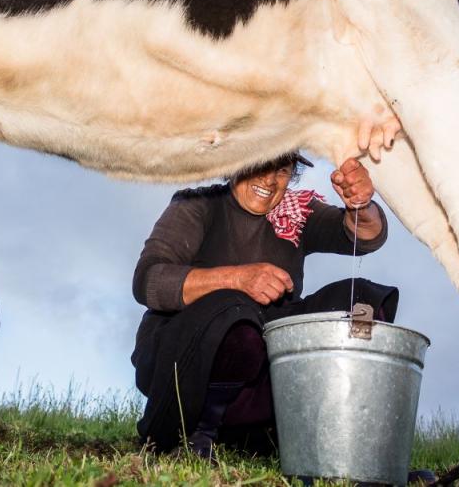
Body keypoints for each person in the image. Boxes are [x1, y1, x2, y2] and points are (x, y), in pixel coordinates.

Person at [131, 153, 399, 457]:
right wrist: (236, 279)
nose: (270, 181)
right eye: (258, 164)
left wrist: (361, 204)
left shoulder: (295, 212)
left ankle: (346, 445)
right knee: (234, 312)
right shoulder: (196, 204)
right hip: (181, 366)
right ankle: (196, 436)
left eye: (282, 171)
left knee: (360, 298)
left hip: (264, 380)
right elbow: (148, 281)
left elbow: (365, 235)